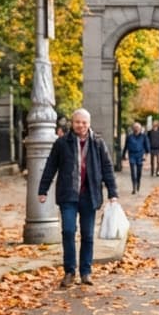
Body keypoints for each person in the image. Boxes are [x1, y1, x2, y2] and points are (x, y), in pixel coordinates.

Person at [37, 108, 119, 288]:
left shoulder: (97, 143)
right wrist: (43, 189)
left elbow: (107, 168)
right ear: (72, 123)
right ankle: (69, 271)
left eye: (84, 122)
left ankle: (86, 272)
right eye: (77, 122)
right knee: (68, 231)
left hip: (89, 195)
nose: (80, 125)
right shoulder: (61, 143)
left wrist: (112, 193)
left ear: (89, 124)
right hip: (68, 195)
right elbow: (51, 166)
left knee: (88, 235)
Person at [124, 121, 148, 194]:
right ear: (133, 128)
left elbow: (147, 146)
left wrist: (146, 155)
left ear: (140, 128)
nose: (136, 129)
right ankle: (134, 187)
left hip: (140, 155)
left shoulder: (143, 136)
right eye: (135, 127)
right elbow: (126, 146)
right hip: (132, 155)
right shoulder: (129, 136)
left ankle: (138, 184)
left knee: (139, 172)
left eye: (138, 127)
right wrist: (124, 154)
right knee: (133, 172)